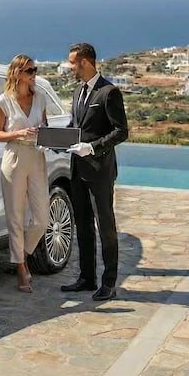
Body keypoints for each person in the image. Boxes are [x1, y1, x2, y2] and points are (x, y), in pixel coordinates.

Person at [61, 43, 129, 301]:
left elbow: (121, 131)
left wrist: (92, 147)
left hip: (100, 170)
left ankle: (109, 283)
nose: (70, 67)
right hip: (77, 169)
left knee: (106, 226)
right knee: (83, 225)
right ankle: (86, 278)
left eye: (72, 62)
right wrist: (53, 139)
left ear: (86, 62)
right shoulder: (78, 90)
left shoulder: (109, 92)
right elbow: (74, 126)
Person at [0, 54, 49, 293]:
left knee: (41, 218)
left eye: (35, 70)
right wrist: (19, 133)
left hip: (37, 157)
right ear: (16, 73)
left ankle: (22, 254)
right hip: (14, 157)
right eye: (29, 70)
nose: (34, 74)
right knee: (15, 217)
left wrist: (47, 135)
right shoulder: (4, 100)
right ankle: (21, 269)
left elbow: (46, 126)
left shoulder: (41, 97)